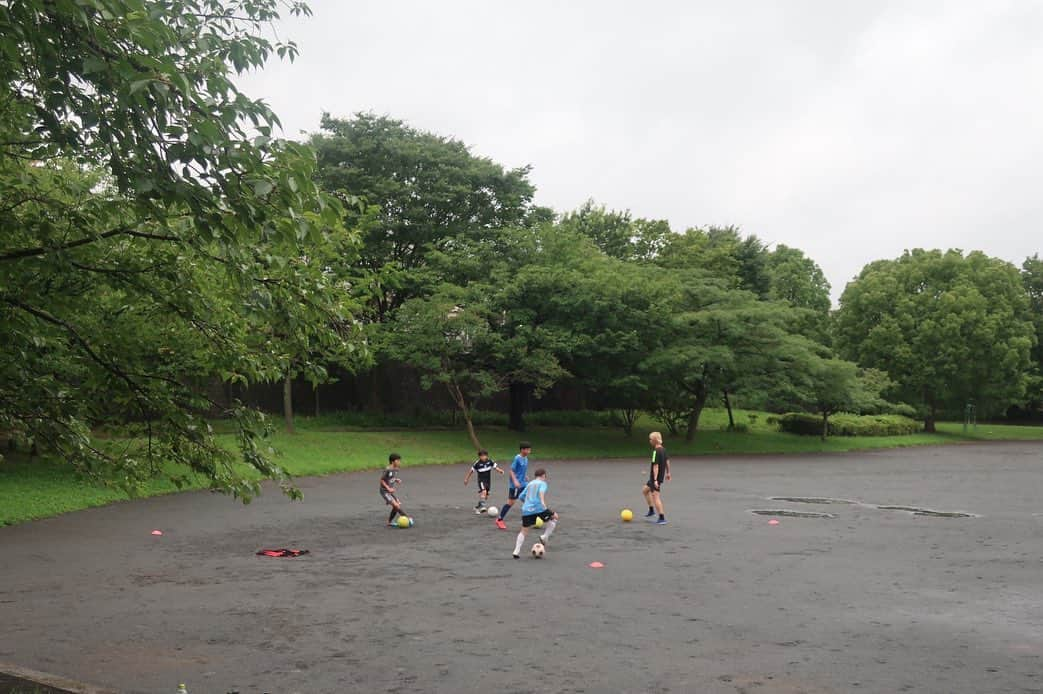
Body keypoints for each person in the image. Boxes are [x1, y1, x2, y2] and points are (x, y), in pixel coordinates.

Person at [512, 468, 558, 559]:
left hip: (526, 510)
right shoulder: (543, 483)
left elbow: (521, 496)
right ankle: (544, 536)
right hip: (539, 508)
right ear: (543, 475)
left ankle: (516, 551)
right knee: (554, 518)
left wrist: (528, 503)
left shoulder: (530, 484)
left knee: (524, 531)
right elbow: (541, 493)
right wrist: (542, 502)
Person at [495, 442, 531, 530]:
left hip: (523, 483)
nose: (529, 451)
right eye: (527, 449)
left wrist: (525, 475)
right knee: (511, 502)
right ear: (522, 450)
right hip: (515, 485)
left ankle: (530, 518)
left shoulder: (526, 458)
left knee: (528, 499)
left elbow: (522, 469)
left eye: (529, 449)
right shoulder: (517, 458)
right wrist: (515, 481)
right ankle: (499, 520)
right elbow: (511, 471)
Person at [642, 431, 670, 525]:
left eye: (650, 439)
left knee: (656, 497)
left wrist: (655, 480)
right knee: (645, 490)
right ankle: (651, 510)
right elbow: (667, 461)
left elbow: (655, 466)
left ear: (654, 440)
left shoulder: (655, 452)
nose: (649, 441)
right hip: (655, 478)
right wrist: (668, 473)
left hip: (655, 478)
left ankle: (662, 518)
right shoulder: (663, 449)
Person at [463, 449, 504, 514]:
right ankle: (482, 507)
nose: (483, 457)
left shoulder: (490, 461)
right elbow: (471, 471)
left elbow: (495, 467)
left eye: (484, 456)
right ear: (479, 457)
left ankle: (478, 506)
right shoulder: (477, 463)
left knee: (486, 496)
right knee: (484, 491)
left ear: (487, 456)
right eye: (481, 456)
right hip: (481, 480)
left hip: (488, 481)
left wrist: (499, 470)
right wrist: (466, 479)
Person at [380, 453, 408, 527]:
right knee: (396, 506)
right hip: (385, 491)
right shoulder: (387, 469)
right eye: (397, 460)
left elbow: (390, 478)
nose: (399, 462)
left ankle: (389, 522)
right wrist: (388, 488)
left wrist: (396, 479)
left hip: (390, 492)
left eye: (399, 460)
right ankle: (407, 518)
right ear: (392, 461)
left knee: (396, 505)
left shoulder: (396, 469)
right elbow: (382, 480)